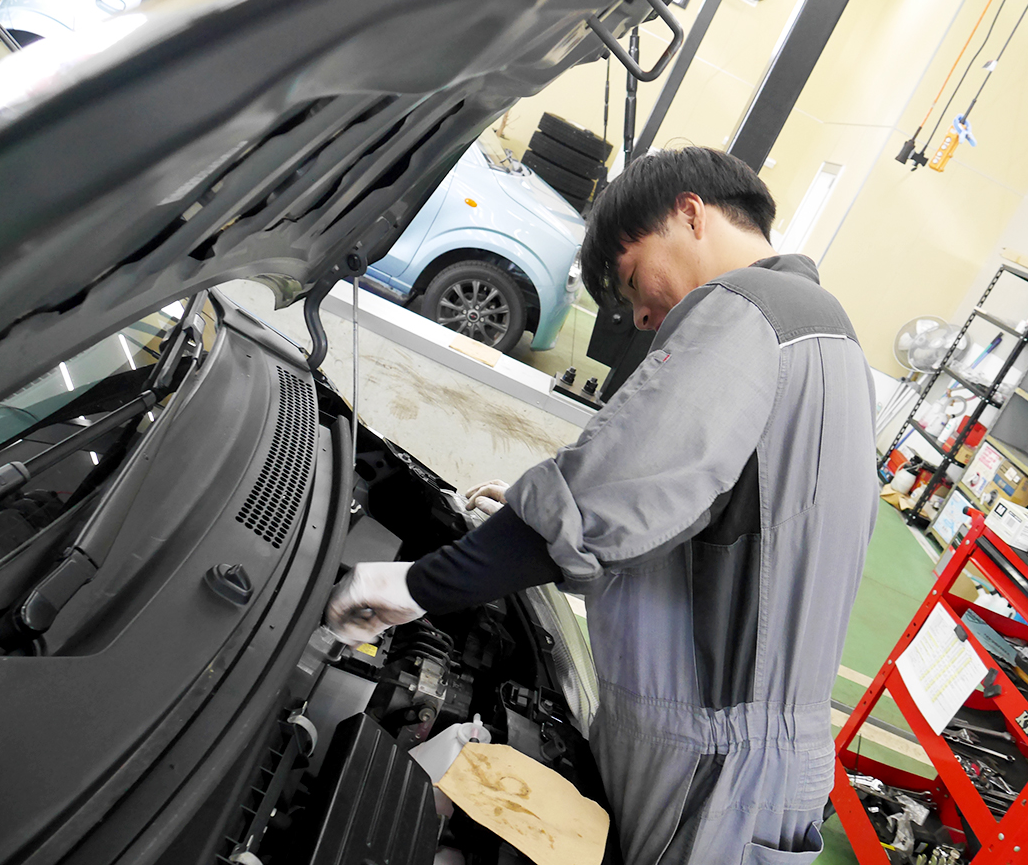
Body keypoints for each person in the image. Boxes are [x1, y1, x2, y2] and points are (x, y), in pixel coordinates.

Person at [326, 147, 878, 865]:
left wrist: (413, 585)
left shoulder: (744, 311)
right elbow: (726, 522)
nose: (644, 315)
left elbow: (608, 496)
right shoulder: (826, 334)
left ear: (689, 214)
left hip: (710, 766)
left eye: (631, 279)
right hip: (763, 762)